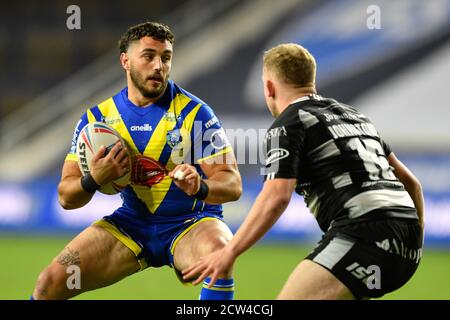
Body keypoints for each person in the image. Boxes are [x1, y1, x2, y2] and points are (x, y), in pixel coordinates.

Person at [182, 43, 424, 300]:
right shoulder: (354, 116)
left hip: (363, 237)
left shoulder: (288, 123)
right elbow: (411, 183)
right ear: (311, 80)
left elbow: (276, 197)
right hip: (407, 244)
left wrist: (229, 252)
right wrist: (415, 238)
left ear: (269, 87)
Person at [31, 22, 242, 300]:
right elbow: (66, 197)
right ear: (125, 61)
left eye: (166, 58)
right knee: (50, 283)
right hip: (131, 225)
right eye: (149, 56)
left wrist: (201, 187)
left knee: (220, 258)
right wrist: (94, 179)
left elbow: (233, 184)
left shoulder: (196, 113)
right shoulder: (97, 120)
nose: (158, 66)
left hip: (191, 223)